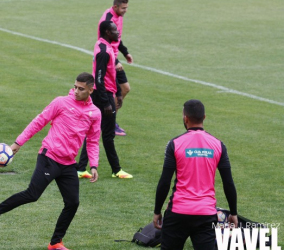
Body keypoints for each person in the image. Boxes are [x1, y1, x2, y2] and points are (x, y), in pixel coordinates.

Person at [0, 72, 101, 250]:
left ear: (91, 90)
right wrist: (18, 143)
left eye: (81, 89)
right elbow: (39, 121)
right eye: (75, 87)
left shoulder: (94, 113)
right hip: (49, 157)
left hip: (68, 163)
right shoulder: (61, 102)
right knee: (32, 194)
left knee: (73, 202)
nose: (76, 91)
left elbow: (92, 140)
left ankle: (55, 243)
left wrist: (94, 164)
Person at [153, 99, 238, 250]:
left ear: (185, 118)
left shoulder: (175, 144)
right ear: (204, 117)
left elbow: (165, 182)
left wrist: (157, 211)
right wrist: (233, 213)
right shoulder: (218, 145)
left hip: (178, 212)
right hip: (206, 214)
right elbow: (228, 183)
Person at [76, 21, 133, 179]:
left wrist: (119, 94)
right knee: (107, 134)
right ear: (108, 32)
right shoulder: (103, 51)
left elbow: (109, 74)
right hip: (103, 95)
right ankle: (116, 170)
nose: (117, 33)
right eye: (115, 30)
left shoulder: (103, 45)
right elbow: (99, 79)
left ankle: (81, 168)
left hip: (106, 93)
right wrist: (107, 102)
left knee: (94, 131)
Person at [98, 0, 133, 136]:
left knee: (123, 89)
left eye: (127, 8)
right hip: (108, 60)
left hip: (114, 58)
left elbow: (117, 38)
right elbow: (104, 42)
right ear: (115, 7)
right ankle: (108, 123)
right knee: (119, 90)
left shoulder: (119, 16)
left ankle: (109, 122)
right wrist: (115, 61)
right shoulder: (107, 20)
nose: (125, 10)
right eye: (123, 8)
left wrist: (125, 52)